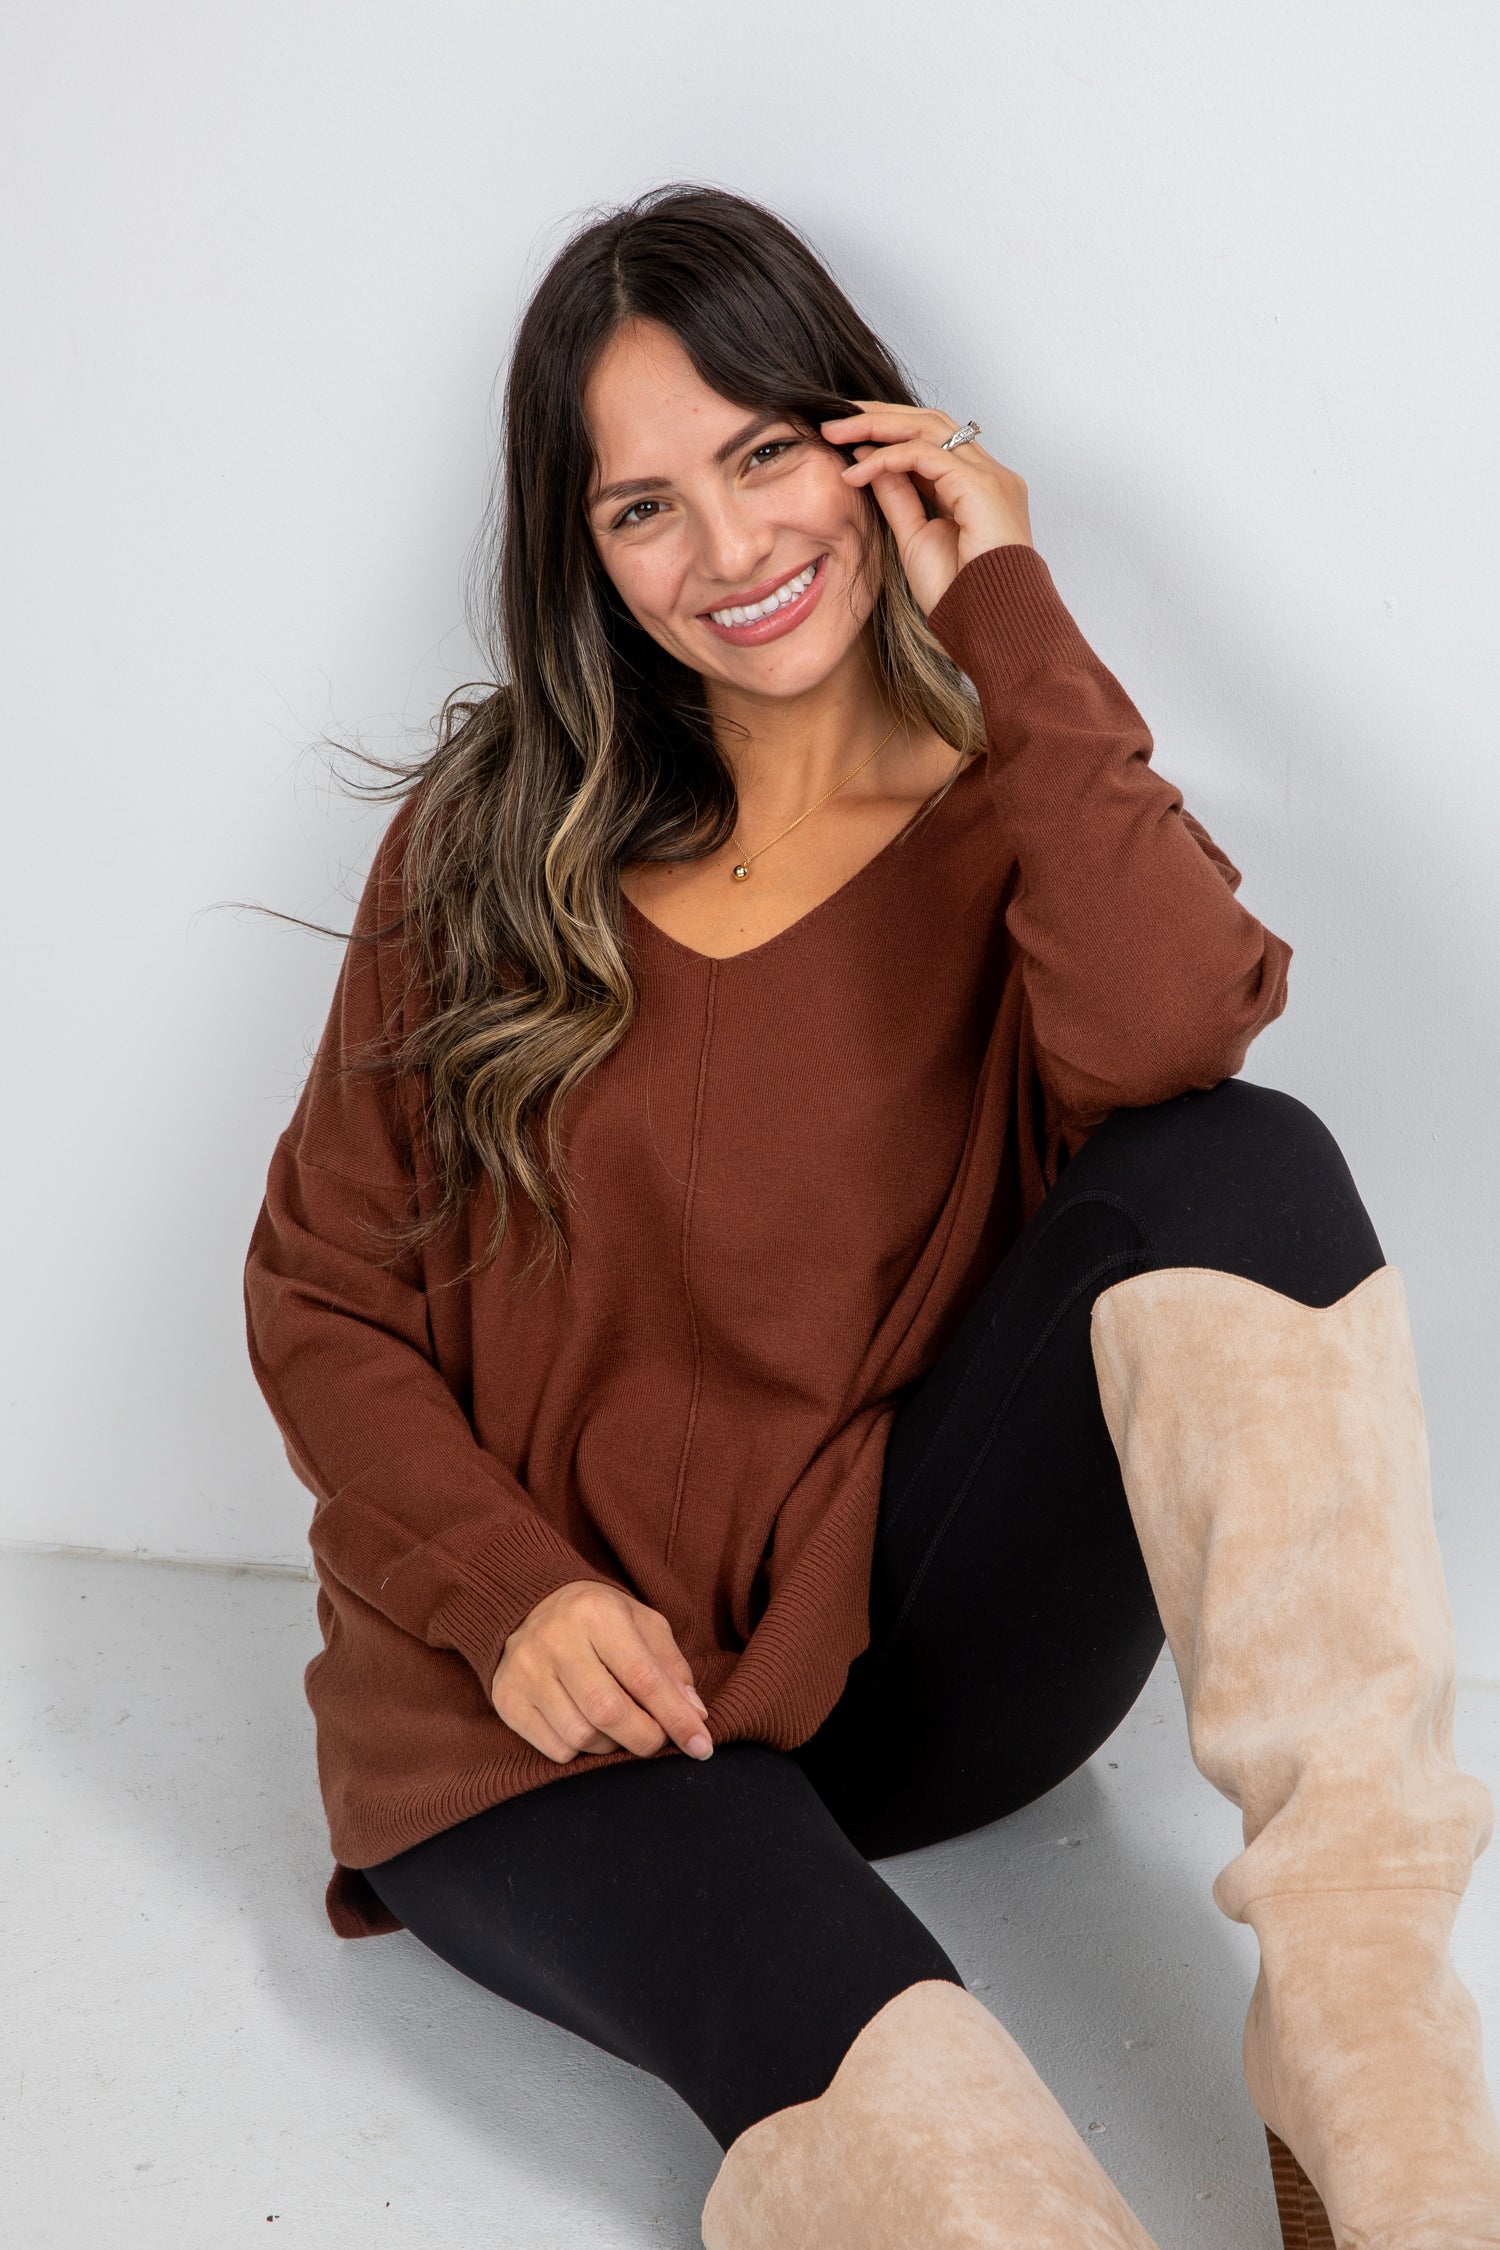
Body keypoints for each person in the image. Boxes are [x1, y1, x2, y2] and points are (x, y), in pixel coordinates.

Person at [243, 185, 1500, 2249]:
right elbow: (318, 1303)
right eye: (642, 508)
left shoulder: (1019, 805)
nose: (729, 551)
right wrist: (513, 1597)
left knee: (1238, 1165)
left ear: (870, 443)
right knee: (932, 2119)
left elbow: (1187, 1037)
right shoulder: (483, 847)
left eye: (762, 455)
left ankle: (1372, 2051)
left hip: (892, 1672)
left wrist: (1005, 598)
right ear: (580, 554)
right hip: (554, 1723)